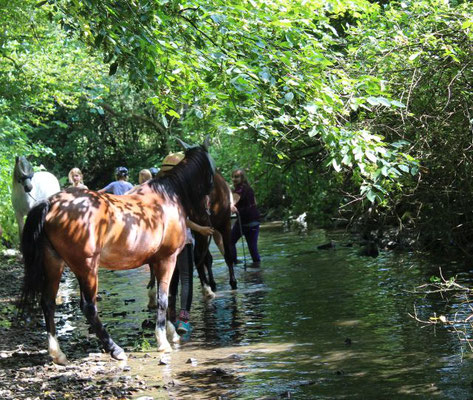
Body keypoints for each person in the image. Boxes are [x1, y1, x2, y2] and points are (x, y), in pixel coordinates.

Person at [160, 152, 214, 335]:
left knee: (170, 280)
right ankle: (184, 321)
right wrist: (201, 229)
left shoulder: (159, 190)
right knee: (185, 278)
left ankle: (170, 318)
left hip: (164, 242)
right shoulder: (183, 192)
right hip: (184, 239)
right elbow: (184, 219)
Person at [230, 168, 261, 267]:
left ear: (242, 178)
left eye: (237, 177)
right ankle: (257, 270)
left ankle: (235, 264)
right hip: (250, 221)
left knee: (230, 242)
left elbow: (232, 202)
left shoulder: (240, 188)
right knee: (252, 249)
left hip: (247, 222)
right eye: (233, 177)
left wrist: (231, 206)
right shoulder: (248, 187)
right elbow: (255, 203)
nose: (234, 179)